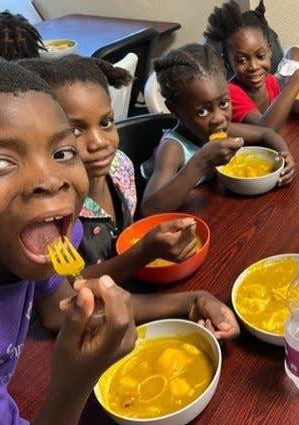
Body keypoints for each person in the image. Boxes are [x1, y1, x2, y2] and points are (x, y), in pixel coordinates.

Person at [0, 57, 239, 425]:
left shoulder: (42, 244)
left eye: (62, 152)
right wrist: (76, 381)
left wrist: (192, 300)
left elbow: (65, 308)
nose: (49, 180)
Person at [19, 54, 199, 282]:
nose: (99, 142)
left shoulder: (119, 166)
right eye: (74, 130)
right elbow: (71, 287)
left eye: (105, 123)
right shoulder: (47, 213)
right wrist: (142, 252)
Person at [140, 43, 296, 215]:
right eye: (202, 111)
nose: (219, 118)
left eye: (223, 103)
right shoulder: (173, 149)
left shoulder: (221, 128)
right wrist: (202, 160)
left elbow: (266, 133)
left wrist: (284, 154)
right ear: (174, 109)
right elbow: (149, 209)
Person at [203, 0, 299, 131]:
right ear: (227, 61)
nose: (253, 66)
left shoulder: (270, 81)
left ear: (270, 51)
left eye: (260, 56)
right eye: (242, 60)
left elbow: (280, 118)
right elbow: (265, 129)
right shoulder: (230, 93)